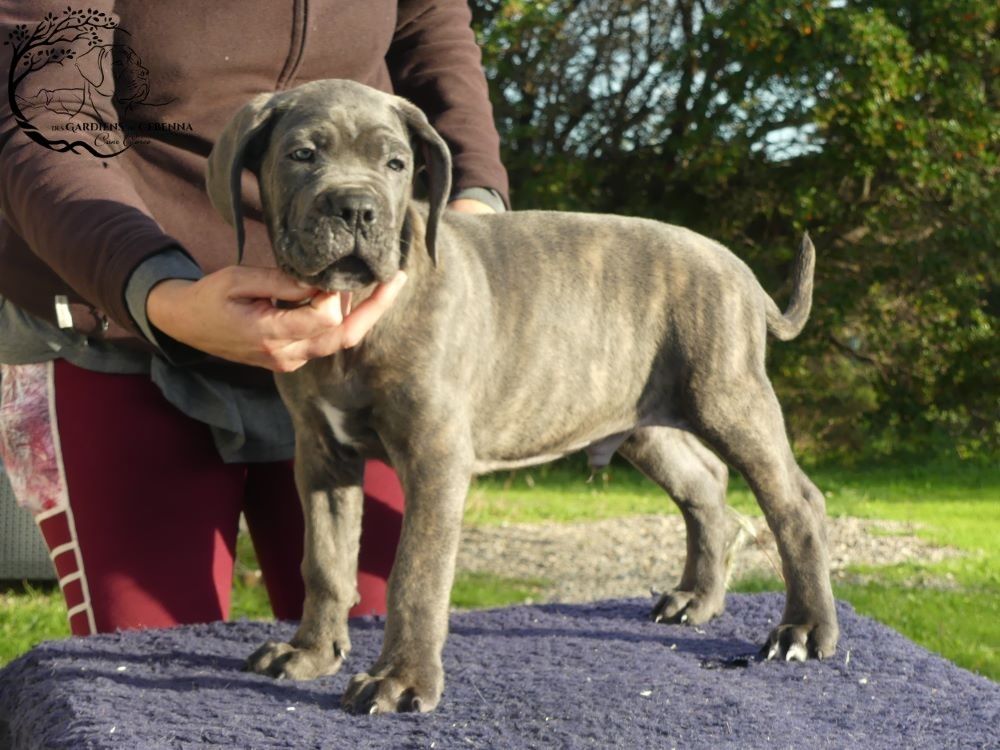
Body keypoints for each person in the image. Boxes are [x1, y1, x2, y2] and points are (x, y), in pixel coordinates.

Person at [0, 1, 509, 636]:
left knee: (378, 643)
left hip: (356, 336)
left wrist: (475, 205)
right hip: (122, 313)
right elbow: (45, 111)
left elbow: (432, 35)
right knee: (150, 670)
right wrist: (159, 290)